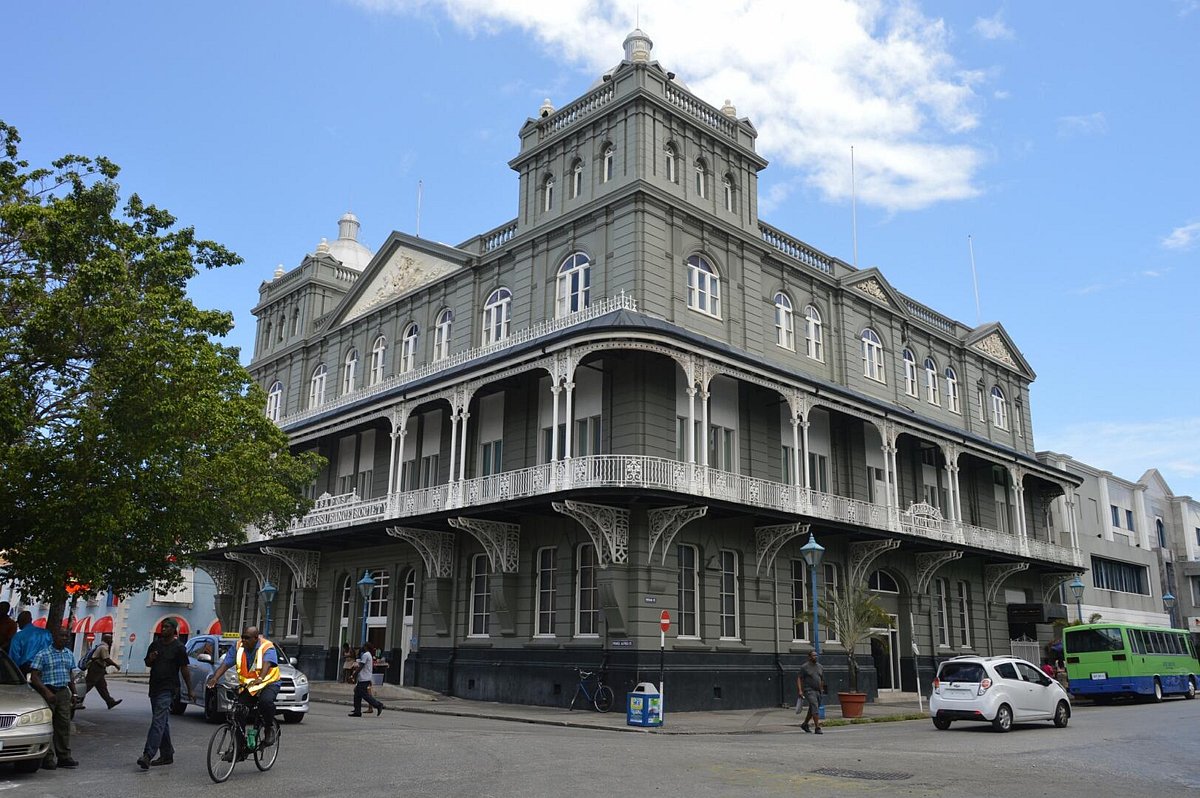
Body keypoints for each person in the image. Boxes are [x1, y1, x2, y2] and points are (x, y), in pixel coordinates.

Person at [206, 625, 281, 745]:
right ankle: (239, 748)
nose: (244, 640)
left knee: (265, 702)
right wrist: (215, 678)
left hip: (269, 682)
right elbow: (225, 664)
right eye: (243, 637)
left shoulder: (267, 647)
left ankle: (268, 728)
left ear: (256, 638)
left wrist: (260, 678)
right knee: (238, 712)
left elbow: (267, 664)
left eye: (247, 638)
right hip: (251, 686)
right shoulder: (238, 646)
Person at [136, 618, 193, 769]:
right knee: (161, 722)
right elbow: (147, 663)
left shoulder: (179, 647)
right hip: (154, 687)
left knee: (158, 721)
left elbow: (184, 669)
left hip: (168, 689)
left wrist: (190, 689)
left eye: (167, 627)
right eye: (163, 626)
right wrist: (151, 658)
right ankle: (167, 754)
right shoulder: (155, 644)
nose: (164, 629)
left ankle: (148, 755)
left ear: (174, 630)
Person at [28, 627, 79, 769]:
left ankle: (64, 756)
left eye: (66, 636)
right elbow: (34, 676)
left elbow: (70, 676)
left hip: (63, 692)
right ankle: (47, 758)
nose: (64, 638)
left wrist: (74, 693)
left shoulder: (69, 654)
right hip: (48, 691)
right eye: (61, 635)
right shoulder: (43, 654)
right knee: (47, 725)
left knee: (63, 725)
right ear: (54, 637)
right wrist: (46, 692)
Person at [80, 632, 123, 709]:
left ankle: (110, 702)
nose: (112, 641)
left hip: (98, 669)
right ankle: (77, 699)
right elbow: (106, 659)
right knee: (88, 685)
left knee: (102, 687)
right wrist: (115, 665)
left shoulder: (101, 646)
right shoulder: (103, 647)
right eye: (110, 639)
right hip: (96, 669)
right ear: (106, 639)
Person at [9, 610, 52, 674]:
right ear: (31, 620)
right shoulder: (46, 633)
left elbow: (14, 657)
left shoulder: (18, 636)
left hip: (26, 668)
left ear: (21, 622)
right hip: (45, 667)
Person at [349, 641, 386, 717]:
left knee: (364, 694)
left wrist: (354, 675)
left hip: (364, 678)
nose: (362, 647)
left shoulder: (366, 655)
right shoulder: (369, 655)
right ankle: (357, 711)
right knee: (357, 694)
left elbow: (361, 666)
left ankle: (378, 705)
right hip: (365, 677)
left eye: (363, 646)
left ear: (366, 647)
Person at [796, 649, 825, 735]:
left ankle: (805, 724)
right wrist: (800, 690)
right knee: (814, 706)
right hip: (809, 690)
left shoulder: (820, 666)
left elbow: (822, 679)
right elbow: (799, 678)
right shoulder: (805, 667)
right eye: (813, 655)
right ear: (809, 657)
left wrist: (822, 689)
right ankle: (817, 727)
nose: (815, 657)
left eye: (816, 655)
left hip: (818, 690)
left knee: (813, 708)